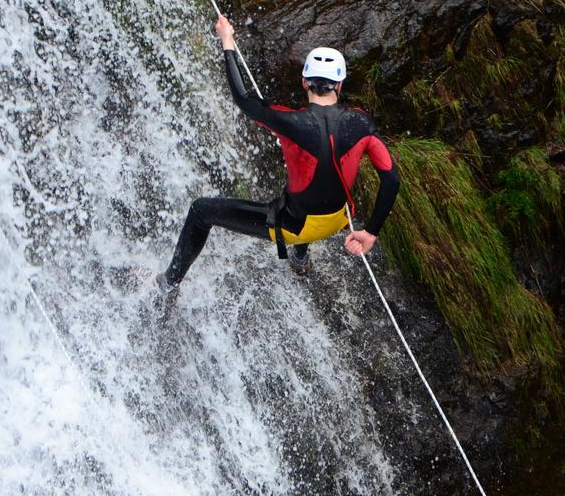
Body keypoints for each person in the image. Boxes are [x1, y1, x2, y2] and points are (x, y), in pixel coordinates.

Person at [158, 15, 400, 292]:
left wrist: (227, 41)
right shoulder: (362, 122)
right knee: (311, 178)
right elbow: (391, 179)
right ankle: (299, 257)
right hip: (339, 220)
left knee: (201, 211)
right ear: (341, 85)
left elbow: (243, 99)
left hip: (297, 227)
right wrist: (370, 232)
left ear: (305, 83)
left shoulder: (290, 121)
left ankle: (168, 283)